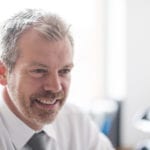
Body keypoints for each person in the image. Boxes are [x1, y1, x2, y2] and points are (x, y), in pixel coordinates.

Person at [0, 9, 114, 150]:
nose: (55, 87)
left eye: (64, 71)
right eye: (39, 71)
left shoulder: (76, 123)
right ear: (3, 73)